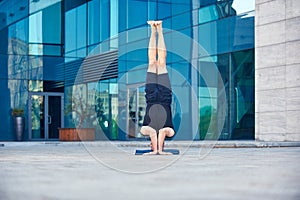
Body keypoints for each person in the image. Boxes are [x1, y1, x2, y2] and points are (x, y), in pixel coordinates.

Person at [140, 20, 175, 155]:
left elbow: (153, 133)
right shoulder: (169, 131)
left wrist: (154, 151)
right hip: (165, 97)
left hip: (152, 97)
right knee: (161, 63)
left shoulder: (145, 130)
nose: (151, 143)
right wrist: (158, 151)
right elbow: (159, 133)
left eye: (151, 145)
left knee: (152, 62)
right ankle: (159, 30)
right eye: (153, 145)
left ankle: (153, 31)